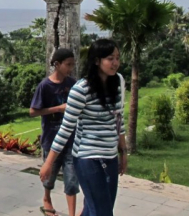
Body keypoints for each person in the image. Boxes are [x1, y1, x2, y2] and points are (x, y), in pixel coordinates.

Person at [40, 39, 127, 216]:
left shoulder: (116, 83)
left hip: (110, 157)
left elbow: (119, 121)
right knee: (101, 212)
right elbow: (66, 129)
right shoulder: (81, 89)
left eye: (117, 58)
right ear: (97, 60)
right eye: (110, 58)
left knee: (97, 209)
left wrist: (123, 153)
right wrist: (48, 163)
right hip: (88, 159)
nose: (115, 63)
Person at [30, 48, 79, 216]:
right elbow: (33, 111)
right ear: (57, 64)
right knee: (49, 174)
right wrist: (58, 108)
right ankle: (46, 198)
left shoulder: (72, 84)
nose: (70, 68)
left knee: (72, 178)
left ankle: (71, 213)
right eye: (68, 64)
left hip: (72, 139)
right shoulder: (45, 86)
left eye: (72, 65)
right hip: (51, 138)